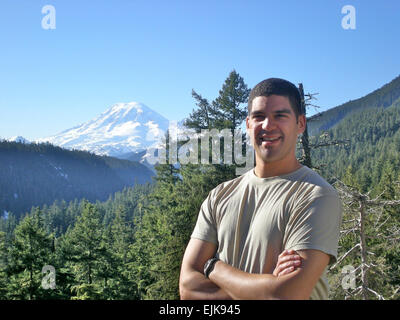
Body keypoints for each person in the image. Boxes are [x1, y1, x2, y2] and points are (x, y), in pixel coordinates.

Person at [179, 78, 343, 300]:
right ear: (248, 124)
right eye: (259, 117)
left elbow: (285, 296)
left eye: (280, 116)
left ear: (300, 124)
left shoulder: (316, 196)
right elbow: (188, 289)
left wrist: (212, 268)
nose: (267, 125)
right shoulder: (219, 196)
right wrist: (264, 287)